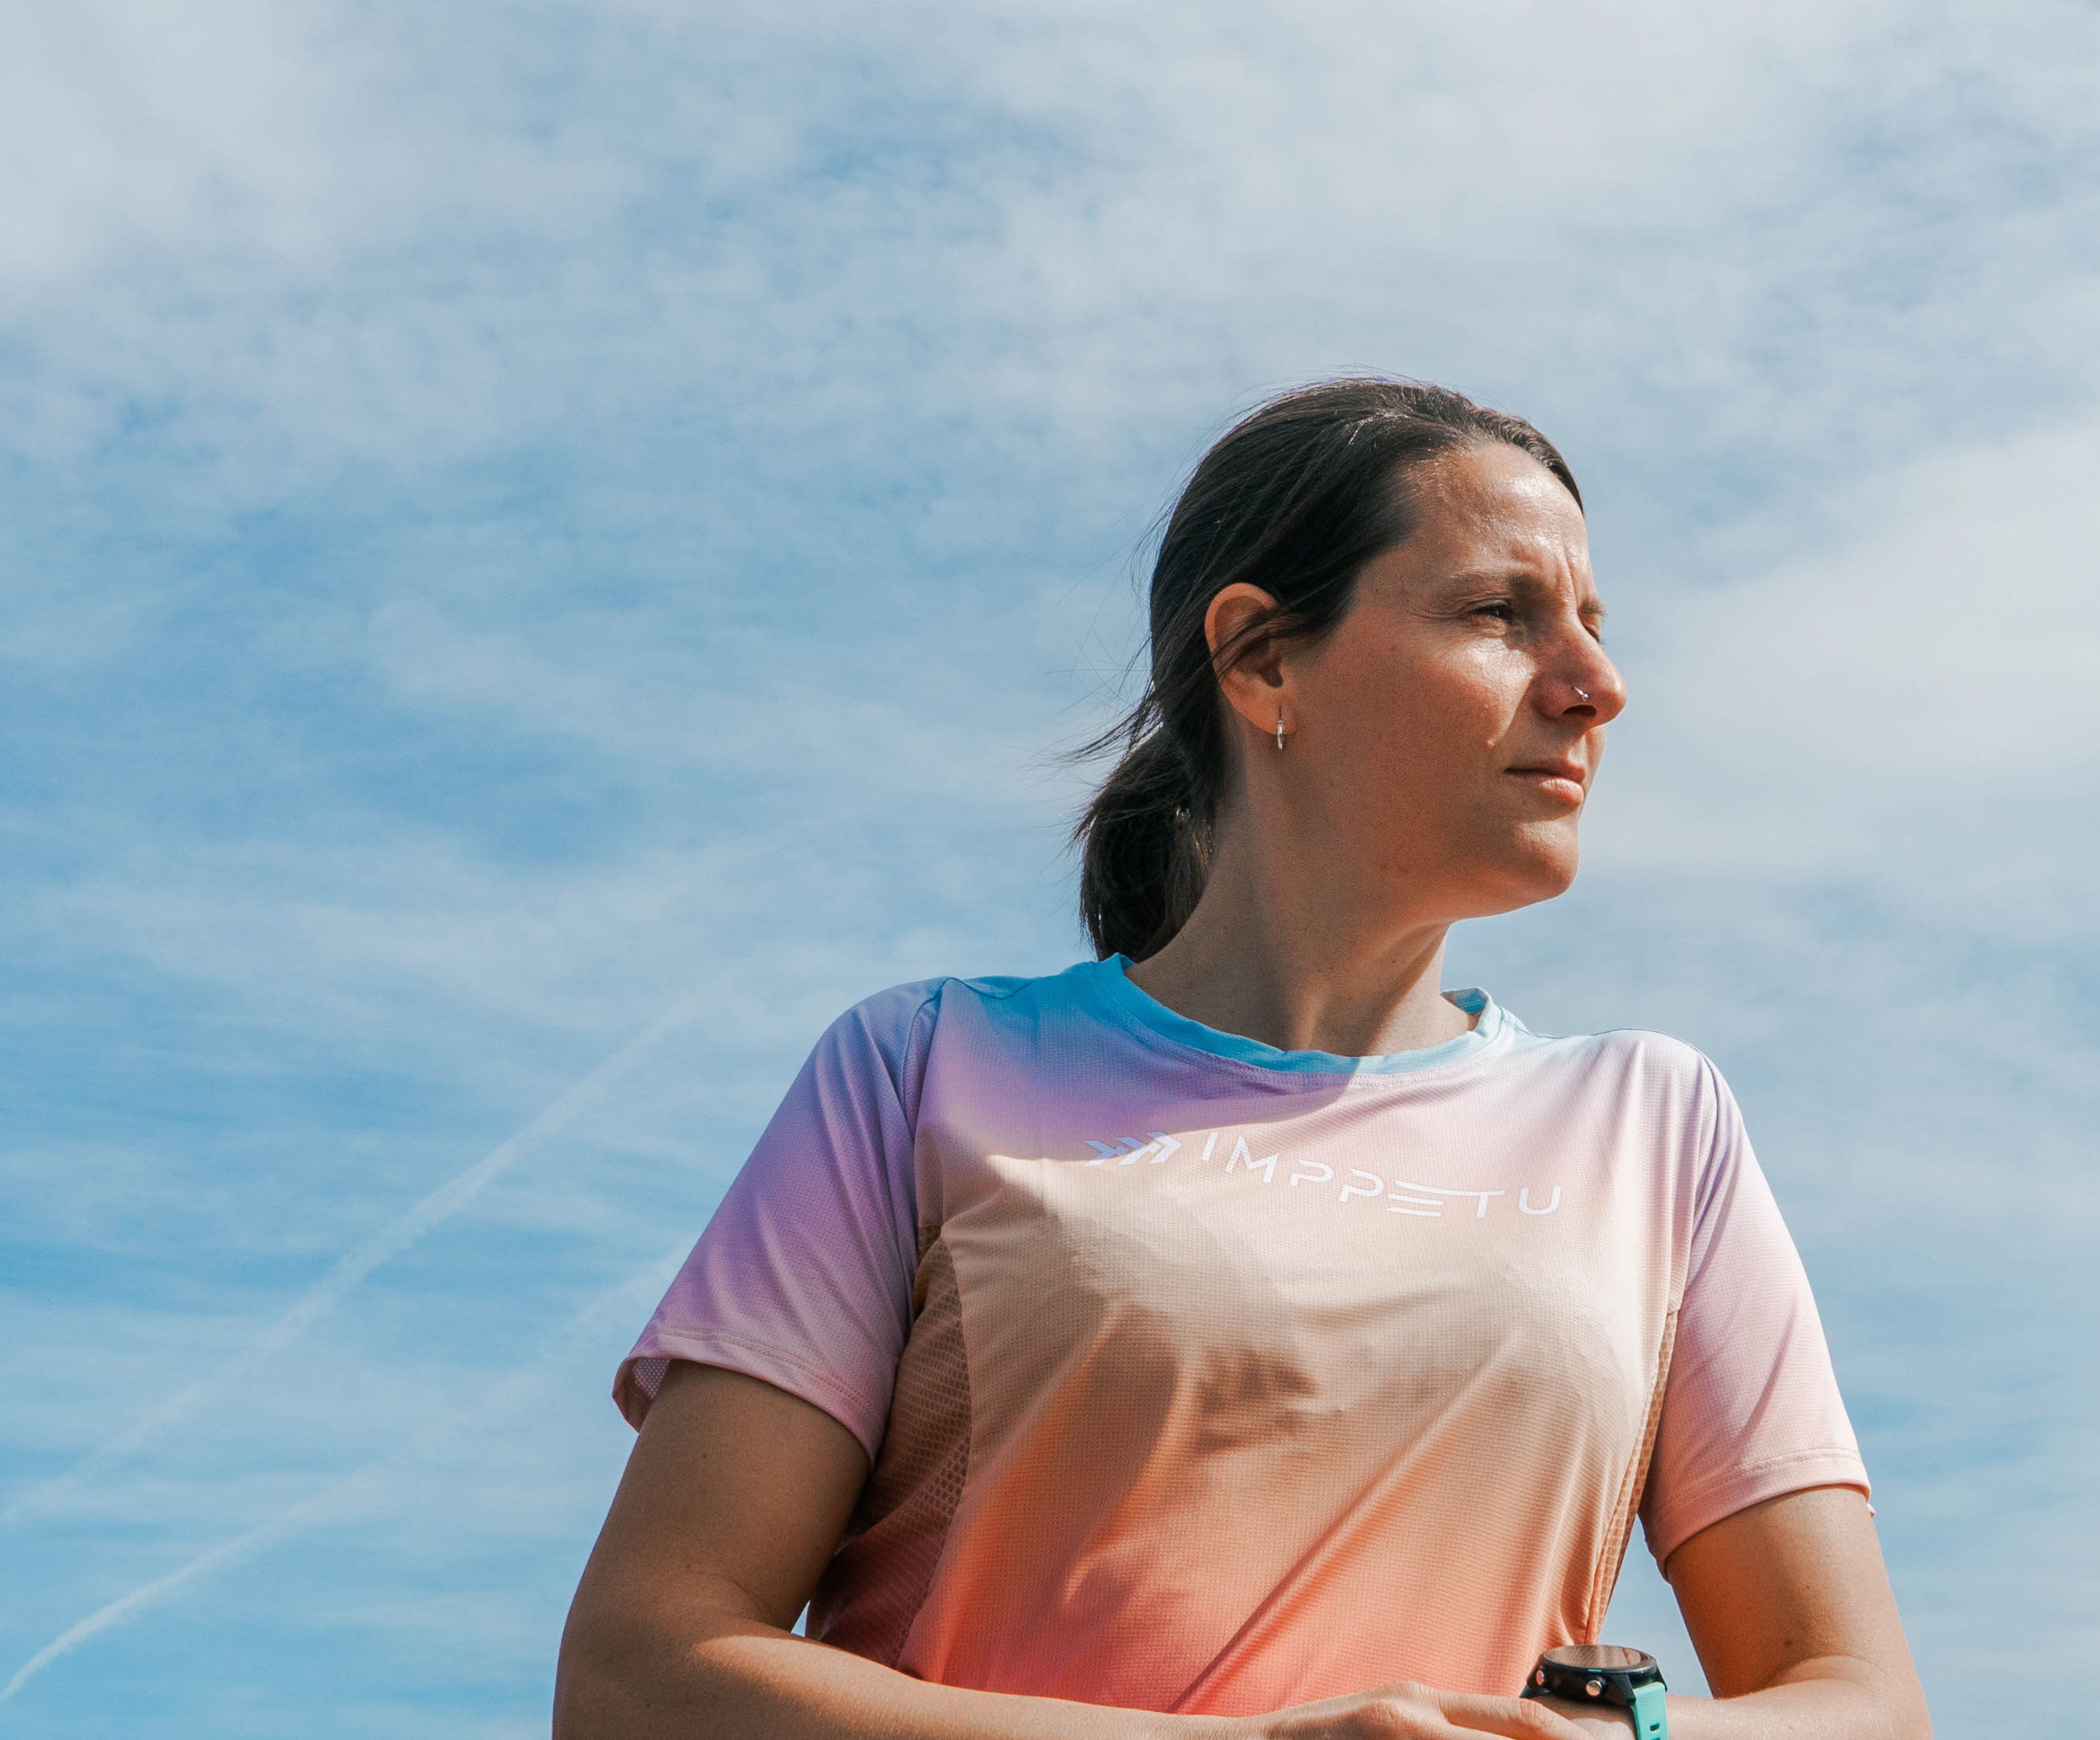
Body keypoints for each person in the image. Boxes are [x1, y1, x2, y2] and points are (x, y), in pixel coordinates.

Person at [554, 379, 1931, 1740]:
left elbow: (1863, 1709)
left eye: (1590, 624)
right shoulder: (923, 1073)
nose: (1595, 686)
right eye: (1499, 614)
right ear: (1262, 659)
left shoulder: (1655, 1126)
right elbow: (641, 1678)